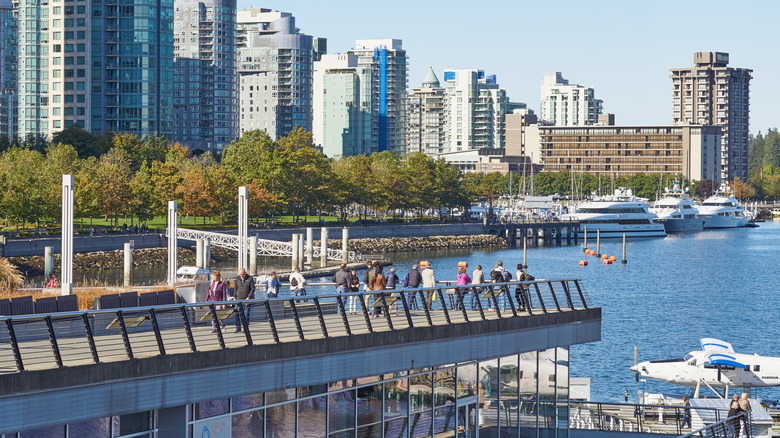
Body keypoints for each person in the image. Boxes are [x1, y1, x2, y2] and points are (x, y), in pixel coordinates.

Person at [232, 268, 256, 333]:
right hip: (238, 299)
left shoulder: (250, 278)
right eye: (240, 274)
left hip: (246, 300)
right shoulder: (237, 278)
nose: (241, 275)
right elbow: (235, 288)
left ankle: (245, 328)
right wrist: (234, 297)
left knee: (246, 315)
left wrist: (248, 297)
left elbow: (252, 289)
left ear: (245, 273)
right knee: (236, 314)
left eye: (242, 274)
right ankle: (238, 327)